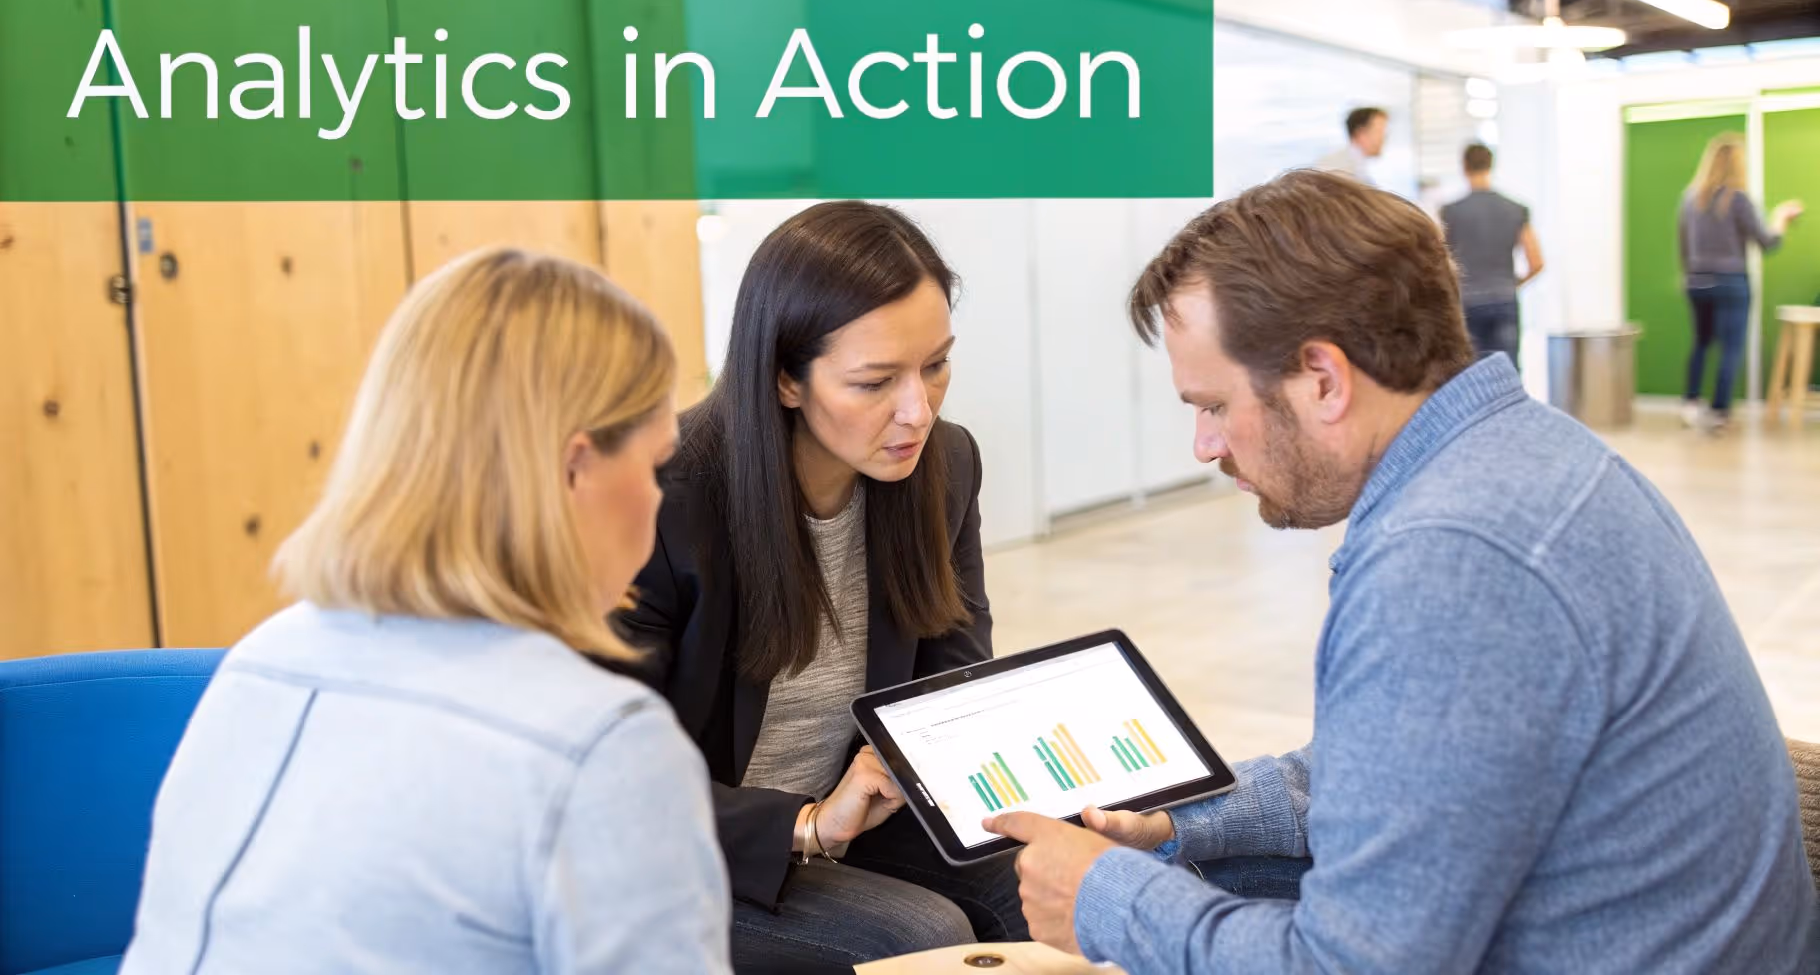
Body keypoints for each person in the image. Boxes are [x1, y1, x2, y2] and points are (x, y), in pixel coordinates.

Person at [984, 170, 1817, 974]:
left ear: (1323, 380)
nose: (1204, 446)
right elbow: (1392, 772)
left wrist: (1100, 895)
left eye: (1212, 405)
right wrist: (1177, 821)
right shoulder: (1522, 450)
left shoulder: (1452, 561)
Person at [121, 249, 731, 974]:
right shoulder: (600, 743)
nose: (659, 499)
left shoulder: (264, 659)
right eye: (654, 463)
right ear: (574, 470)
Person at [615, 201, 1025, 974]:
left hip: (853, 822)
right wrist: (806, 824)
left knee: (1057, 873)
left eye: (936, 363)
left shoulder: (943, 467)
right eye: (875, 382)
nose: (919, 410)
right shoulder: (662, 503)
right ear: (785, 379)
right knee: (922, 938)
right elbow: (614, 777)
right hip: (693, 851)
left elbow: (952, 673)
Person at [1679, 132, 1803, 431]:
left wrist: (1691, 276)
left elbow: (1683, 246)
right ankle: (1719, 412)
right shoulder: (1737, 198)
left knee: (1701, 343)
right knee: (1731, 348)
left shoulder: (1689, 199)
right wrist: (1781, 218)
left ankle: (1690, 404)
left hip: (1696, 281)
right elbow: (1767, 242)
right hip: (1730, 282)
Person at [1441, 143, 1544, 368]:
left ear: (1464, 167)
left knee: (1470, 375)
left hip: (1466, 303)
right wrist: (1514, 283)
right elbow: (1536, 262)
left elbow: (1441, 261)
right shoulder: (1516, 209)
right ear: (1491, 165)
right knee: (1507, 372)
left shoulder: (1451, 211)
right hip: (1504, 298)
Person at [1315, 107, 1388, 185]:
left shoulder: (1358, 167)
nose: (1384, 138)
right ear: (1361, 133)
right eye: (1379, 131)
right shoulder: (1333, 167)